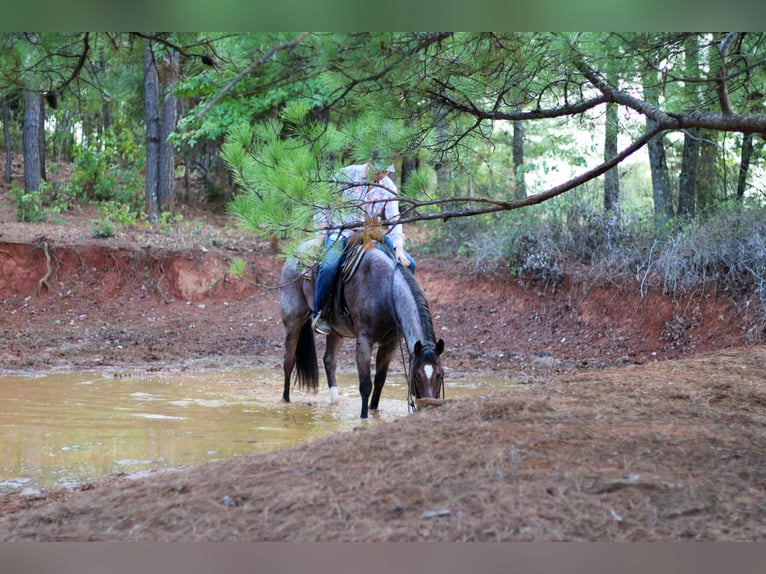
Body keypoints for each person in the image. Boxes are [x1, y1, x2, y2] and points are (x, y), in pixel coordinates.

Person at [311, 155, 416, 335]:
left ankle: (396, 311)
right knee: (329, 267)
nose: (382, 174)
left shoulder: (388, 187)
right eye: (379, 169)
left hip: (372, 233)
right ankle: (322, 312)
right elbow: (324, 205)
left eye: (386, 171)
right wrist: (320, 236)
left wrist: (398, 248)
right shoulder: (346, 174)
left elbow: (394, 219)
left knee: (410, 265)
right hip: (342, 232)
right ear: (369, 162)